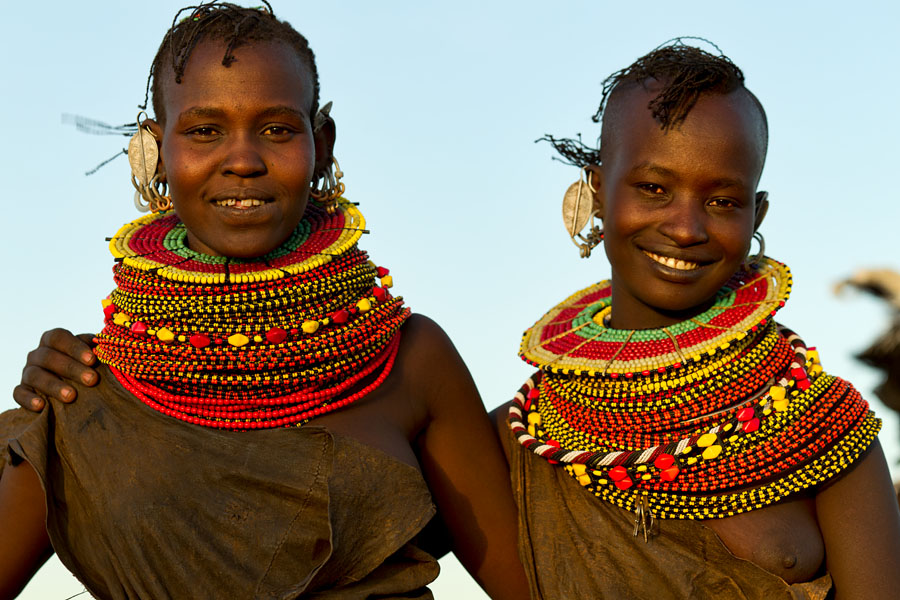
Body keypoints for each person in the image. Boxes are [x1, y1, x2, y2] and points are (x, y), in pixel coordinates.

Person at [0, 3, 527, 599]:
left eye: (277, 129)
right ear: (155, 150)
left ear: (321, 143)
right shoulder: (84, 389)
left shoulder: (408, 358)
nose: (244, 160)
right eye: (204, 130)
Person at [489, 42, 900, 598]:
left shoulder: (823, 428)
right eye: (654, 189)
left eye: (723, 201)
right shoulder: (526, 436)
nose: (686, 228)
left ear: (758, 213)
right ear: (598, 193)